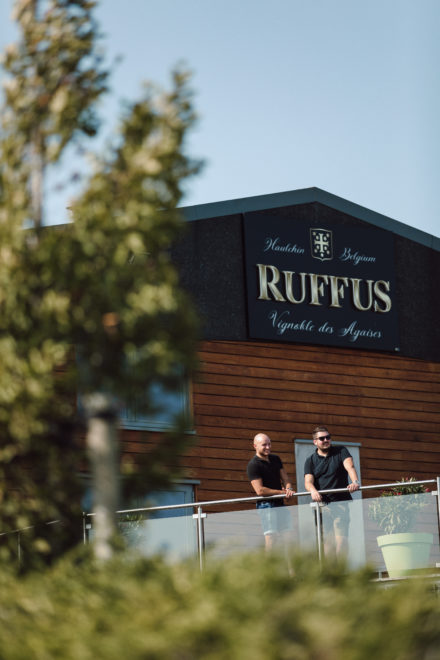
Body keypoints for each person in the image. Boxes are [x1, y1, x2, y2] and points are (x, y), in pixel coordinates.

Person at [304, 425, 360, 557]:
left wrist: (355, 482)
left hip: (340, 503)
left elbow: (350, 466)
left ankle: (342, 568)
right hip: (321, 506)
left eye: (328, 437)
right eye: (322, 438)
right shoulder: (310, 460)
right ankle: (331, 570)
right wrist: (313, 491)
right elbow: (308, 482)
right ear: (315, 442)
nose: (326, 440)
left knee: (342, 540)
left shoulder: (341, 451)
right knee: (328, 543)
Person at [247, 432, 295, 552]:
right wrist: (282, 493)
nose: (268, 447)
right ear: (255, 446)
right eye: (264, 445)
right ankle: (269, 564)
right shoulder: (253, 465)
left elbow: (286, 479)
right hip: (266, 505)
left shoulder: (275, 459)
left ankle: (290, 565)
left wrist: (288, 489)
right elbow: (260, 490)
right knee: (271, 539)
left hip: (280, 503)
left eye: (269, 444)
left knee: (288, 537)